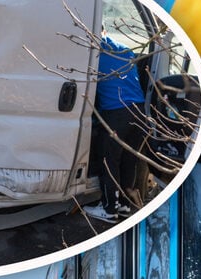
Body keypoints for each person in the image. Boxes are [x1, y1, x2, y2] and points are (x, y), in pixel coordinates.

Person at [83, 24, 147, 223]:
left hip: (116, 113)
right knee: (129, 160)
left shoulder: (91, 55)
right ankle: (125, 205)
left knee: (109, 161)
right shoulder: (125, 50)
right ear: (104, 31)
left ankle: (109, 209)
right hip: (139, 112)